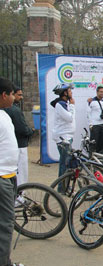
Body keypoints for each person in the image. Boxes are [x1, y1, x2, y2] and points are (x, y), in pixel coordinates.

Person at [0, 78, 23, 266]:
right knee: (5, 223)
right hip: (1, 178)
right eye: (11, 94)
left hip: (8, 175)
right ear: (3, 95)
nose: (14, 98)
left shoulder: (4, 114)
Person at [4, 88, 34, 185]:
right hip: (19, 144)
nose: (21, 97)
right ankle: (20, 196)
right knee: (21, 172)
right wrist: (30, 131)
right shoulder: (14, 110)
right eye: (17, 95)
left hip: (11, 146)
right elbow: (22, 129)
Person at [50, 83, 75, 178]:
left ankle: (64, 187)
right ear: (64, 93)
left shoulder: (64, 103)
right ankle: (62, 188)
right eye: (69, 91)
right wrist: (73, 106)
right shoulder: (60, 105)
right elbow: (70, 118)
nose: (71, 92)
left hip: (67, 137)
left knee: (67, 162)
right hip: (63, 138)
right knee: (65, 163)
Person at [87, 86, 103, 152]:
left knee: (101, 143)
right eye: (101, 92)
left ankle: (100, 158)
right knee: (93, 143)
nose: (102, 93)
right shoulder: (92, 101)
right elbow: (88, 113)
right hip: (95, 125)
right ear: (97, 92)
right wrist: (90, 124)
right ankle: (91, 159)